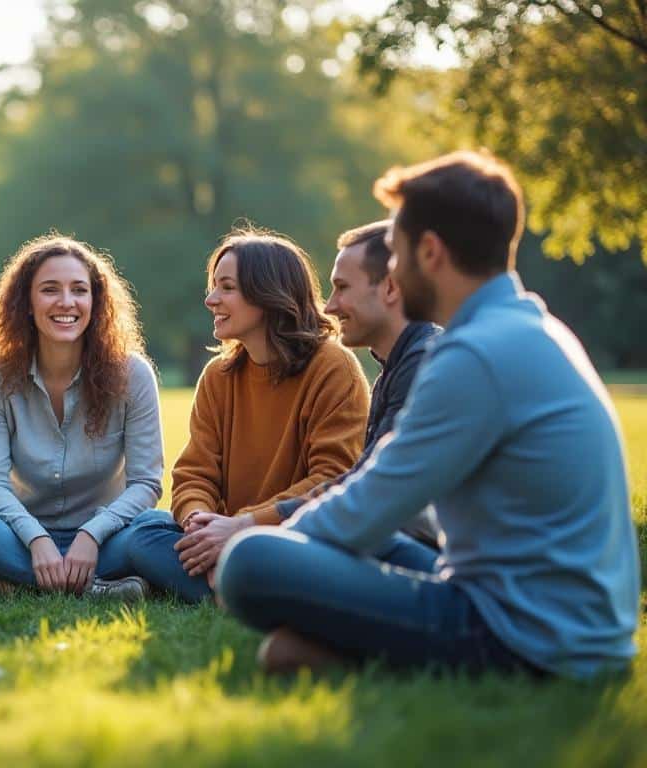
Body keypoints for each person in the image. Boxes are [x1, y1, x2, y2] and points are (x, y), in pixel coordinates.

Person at [218, 151, 641, 679]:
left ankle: (353, 649)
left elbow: (373, 502)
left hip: (525, 633)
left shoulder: (474, 355)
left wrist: (279, 541)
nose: (391, 272)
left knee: (249, 562)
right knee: (374, 548)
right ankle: (344, 651)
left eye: (394, 256)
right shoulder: (528, 328)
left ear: (431, 252)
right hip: (562, 619)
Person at [116, 230, 369, 603]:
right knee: (143, 531)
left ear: (268, 294)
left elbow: (332, 479)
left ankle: (237, 583)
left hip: (295, 535)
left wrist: (240, 527)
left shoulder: (333, 368)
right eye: (213, 286)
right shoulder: (218, 376)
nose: (210, 299)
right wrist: (200, 523)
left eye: (227, 287)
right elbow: (194, 473)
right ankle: (235, 586)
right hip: (222, 533)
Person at [0, 235, 162, 600]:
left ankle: (7, 587)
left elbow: (146, 483)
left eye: (79, 290)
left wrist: (91, 534)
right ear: (26, 303)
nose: (66, 302)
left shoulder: (133, 375)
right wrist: (36, 538)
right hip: (20, 538)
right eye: (50, 290)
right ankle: (92, 589)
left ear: (95, 302)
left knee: (157, 527)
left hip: (107, 540)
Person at [273, 221, 443, 553]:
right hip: (389, 536)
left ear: (391, 288)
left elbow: (372, 489)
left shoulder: (424, 363)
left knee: (252, 555)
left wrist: (263, 525)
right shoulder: (394, 369)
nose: (329, 306)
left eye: (342, 287)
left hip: (424, 551)